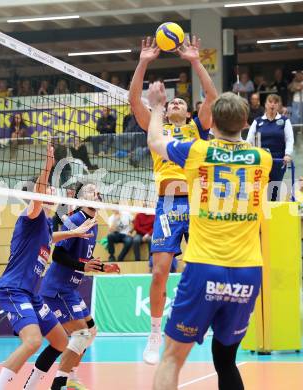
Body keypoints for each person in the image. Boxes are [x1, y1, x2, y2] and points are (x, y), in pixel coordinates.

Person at [146, 82, 272, 390]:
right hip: (248, 271)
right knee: (226, 359)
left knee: (172, 359)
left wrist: (157, 107)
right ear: (246, 123)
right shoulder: (263, 158)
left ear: (211, 122)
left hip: (204, 267)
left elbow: (155, 141)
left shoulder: (197, 151)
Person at [129, 35, 217, 365]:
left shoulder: (198, 128)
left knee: (202, 269)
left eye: (182, 101)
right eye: (172, 103)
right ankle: (154, 332)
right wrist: (143, 62)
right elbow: (135, 100)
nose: (177, 104)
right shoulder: (157, 126)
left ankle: (198, 322)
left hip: (197, 205)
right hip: (167, 204)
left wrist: (195, 61)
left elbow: (212, 96)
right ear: (165, 111)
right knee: (159, 271)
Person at [0, 142, 97, 390]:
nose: (51, 191)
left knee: (61, 341)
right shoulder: (31, 215)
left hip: (32, 295)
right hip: (13, 290)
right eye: (47, 188)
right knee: (32, 342)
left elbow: (51, 239)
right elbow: (39, 193)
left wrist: (75, 232)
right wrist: (48, 167)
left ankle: (31, 387)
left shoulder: (47, 225)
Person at [30, 183, 120, 390]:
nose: (96, 192)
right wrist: (83, 265)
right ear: (80, 198)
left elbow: (81, 259)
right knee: (80, 335)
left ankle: (70, 376)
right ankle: (60, 383)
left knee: (91, 330)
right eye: (90, 190)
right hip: (57, 289)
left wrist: (101, 267)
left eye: (97, 190)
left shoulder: (94, 222)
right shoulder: (75, 220)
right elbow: (58, 255)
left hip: (70, 289)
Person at [247, 94, 294, 201]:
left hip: (278, 161)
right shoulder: (257, 121)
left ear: (279, 106)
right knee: (260, 189)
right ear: (265, 104)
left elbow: (289, 139)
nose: (272, 105)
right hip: (261, 161)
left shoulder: (285, 121)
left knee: (274, 190)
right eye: (270, 102)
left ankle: (272, 215)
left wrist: (287, 154)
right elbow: (249, 140)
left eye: (275, 102)